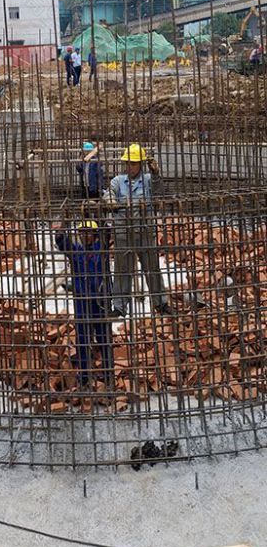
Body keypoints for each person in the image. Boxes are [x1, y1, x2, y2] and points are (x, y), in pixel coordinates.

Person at [103, 144, 171, 318]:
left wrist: (156, 174)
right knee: (121, 271)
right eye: (128, 163)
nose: (130, 167)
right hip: (123, 234)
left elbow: (159, 192)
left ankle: (161, 303)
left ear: (140, 164)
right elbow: (108, 193)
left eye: (133, 163)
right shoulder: (117, 181)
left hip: (145, 233)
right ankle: (119, 307)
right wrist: (110, 201)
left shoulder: (148, 180)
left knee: (152, 269)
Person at [55, 221, 113, 386]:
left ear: (94, 234)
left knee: (104, 339)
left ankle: (108, 376)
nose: (84, 236)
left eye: (88, 232)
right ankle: (85, 376)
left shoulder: (100, 250)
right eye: (82, 233)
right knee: (82, 340)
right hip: (82, 301)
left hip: (100, 302)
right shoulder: (76, 252)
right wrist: (61, 231)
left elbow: (107, 232)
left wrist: (97, 210)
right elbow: (62, 242)